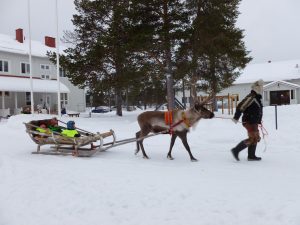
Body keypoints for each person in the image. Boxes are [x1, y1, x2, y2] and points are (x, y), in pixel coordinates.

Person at [231, 79, 264, 161]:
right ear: (257, 88)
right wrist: (236, 117)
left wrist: (258, 121)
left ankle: (251, 156)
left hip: (254, 121)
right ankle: (236, 150)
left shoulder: (256, 98)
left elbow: (257, 110)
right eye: (261, 87)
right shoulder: (251, 97)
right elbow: (240, 106)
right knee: (252, 138)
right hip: (248, 121)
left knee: (256, 138)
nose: (262, 89)